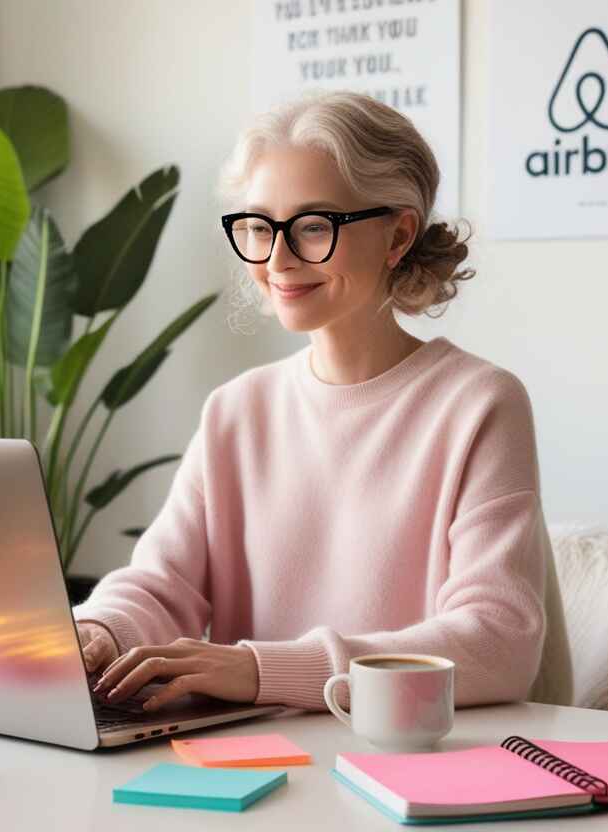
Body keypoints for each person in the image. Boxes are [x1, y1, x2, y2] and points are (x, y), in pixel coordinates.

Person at [73, 90, 572, 715]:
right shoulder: (237, 409)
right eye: (258, 226)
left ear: (398, 236)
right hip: (246, 770)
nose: (277, 259)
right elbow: (160, 582)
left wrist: (261, 671)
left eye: (313, 226)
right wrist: (97, 633)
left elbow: (497, 643)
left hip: (403, 767)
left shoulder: (479, 404)